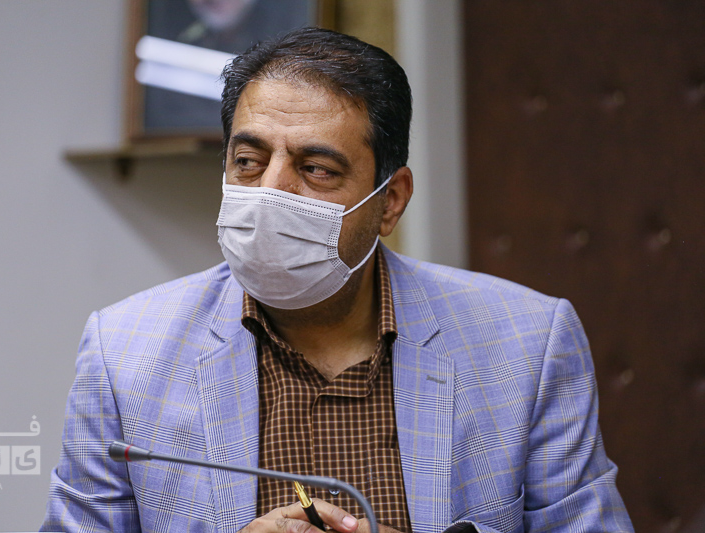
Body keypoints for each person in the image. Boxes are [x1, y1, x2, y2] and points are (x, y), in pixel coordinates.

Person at [41, 28, 633, 533]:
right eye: (248, 161)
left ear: (390, 201)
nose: (271, 191)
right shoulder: (124, 353)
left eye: (317, 169)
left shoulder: (528, 343)